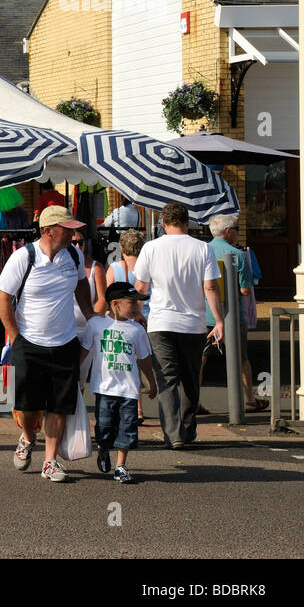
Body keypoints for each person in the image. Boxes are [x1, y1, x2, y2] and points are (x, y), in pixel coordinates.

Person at [0, 205, 91, 482]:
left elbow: (82, 285)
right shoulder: (24, 257)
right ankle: (27, 436)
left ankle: (51, 461)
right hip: (29, 342)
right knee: (27, 406)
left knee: (59, 405)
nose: (75, 233)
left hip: (65, 342)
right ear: (48, 231)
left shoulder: (74, 254)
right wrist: (15, 336)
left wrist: (90, 314)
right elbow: (3, 296)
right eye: (68, 228)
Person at [133, 202, 225, 449]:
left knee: (167, 380)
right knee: (190, 378)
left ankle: (172, 434)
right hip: (193, 324)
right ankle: (186, 428)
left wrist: (136, 315)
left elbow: (141, 288)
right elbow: (210, 287)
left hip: (160, 323)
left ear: (163, 223)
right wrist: (218, 321)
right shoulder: (202, 249)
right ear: (187, 222)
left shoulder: (151, 248)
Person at [79, 282, 158, 483]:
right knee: (104, 427)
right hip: (104, 388)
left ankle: (121, 465)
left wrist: (151, 381)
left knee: (127, 427)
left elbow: (144, 358)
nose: (137, 307)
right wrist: (74, 374)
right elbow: (85, 350)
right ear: (115, 304)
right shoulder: (97, 325)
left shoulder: (137, 330)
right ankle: (104, 448)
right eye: (132, 302)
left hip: (129, 389)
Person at [203, 214, 264, 412]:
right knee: (241, 358)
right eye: (236, 228)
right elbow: (245, 290)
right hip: (233, 316)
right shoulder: (237, 255)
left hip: (205, 315)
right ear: (228, 231)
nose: (238, 232)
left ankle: (194, 401)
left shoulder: (202, 251)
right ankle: (249, 399)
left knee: (200, 359)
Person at [107, 228, 150, 422]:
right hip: (147, 320)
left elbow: (108, 297)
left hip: (123, 321)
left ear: (122, 248)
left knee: (127, 365)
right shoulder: (148, 267)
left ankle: (135, 407)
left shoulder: (115, 269)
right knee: (146, 362)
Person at [72, 233, 108, 326]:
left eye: (81, 242)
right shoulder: (59, 266)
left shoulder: (96, 267)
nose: (78, 246)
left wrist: (92, 322)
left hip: (88, 327)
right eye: (74, 242)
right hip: (65, 329)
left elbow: (102, 299)